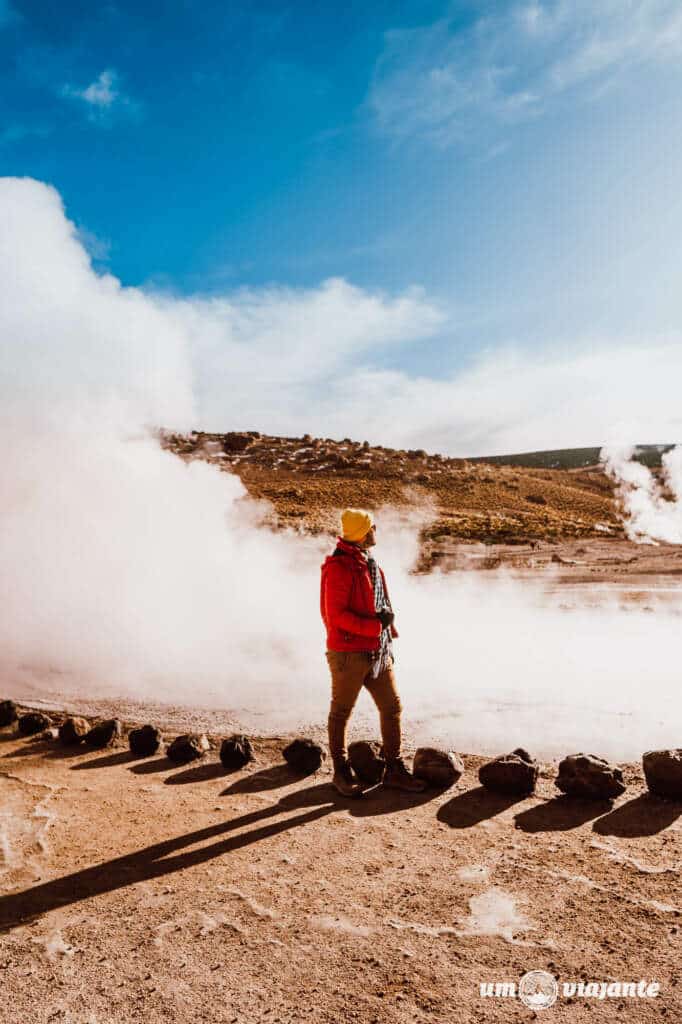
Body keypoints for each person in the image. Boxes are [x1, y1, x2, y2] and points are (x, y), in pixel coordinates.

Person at [320, 508, 426, 797]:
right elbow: (336, 615)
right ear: (361, 532)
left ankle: (393, 769)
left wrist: (385, 631)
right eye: (371, 527)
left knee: (392, 708)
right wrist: (375, 625)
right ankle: (341, 773)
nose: (375, 531)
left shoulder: (368, 563)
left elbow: (378, 604)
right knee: (341, 712)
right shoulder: (339, 567)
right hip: (349, 653)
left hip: (377, 650)